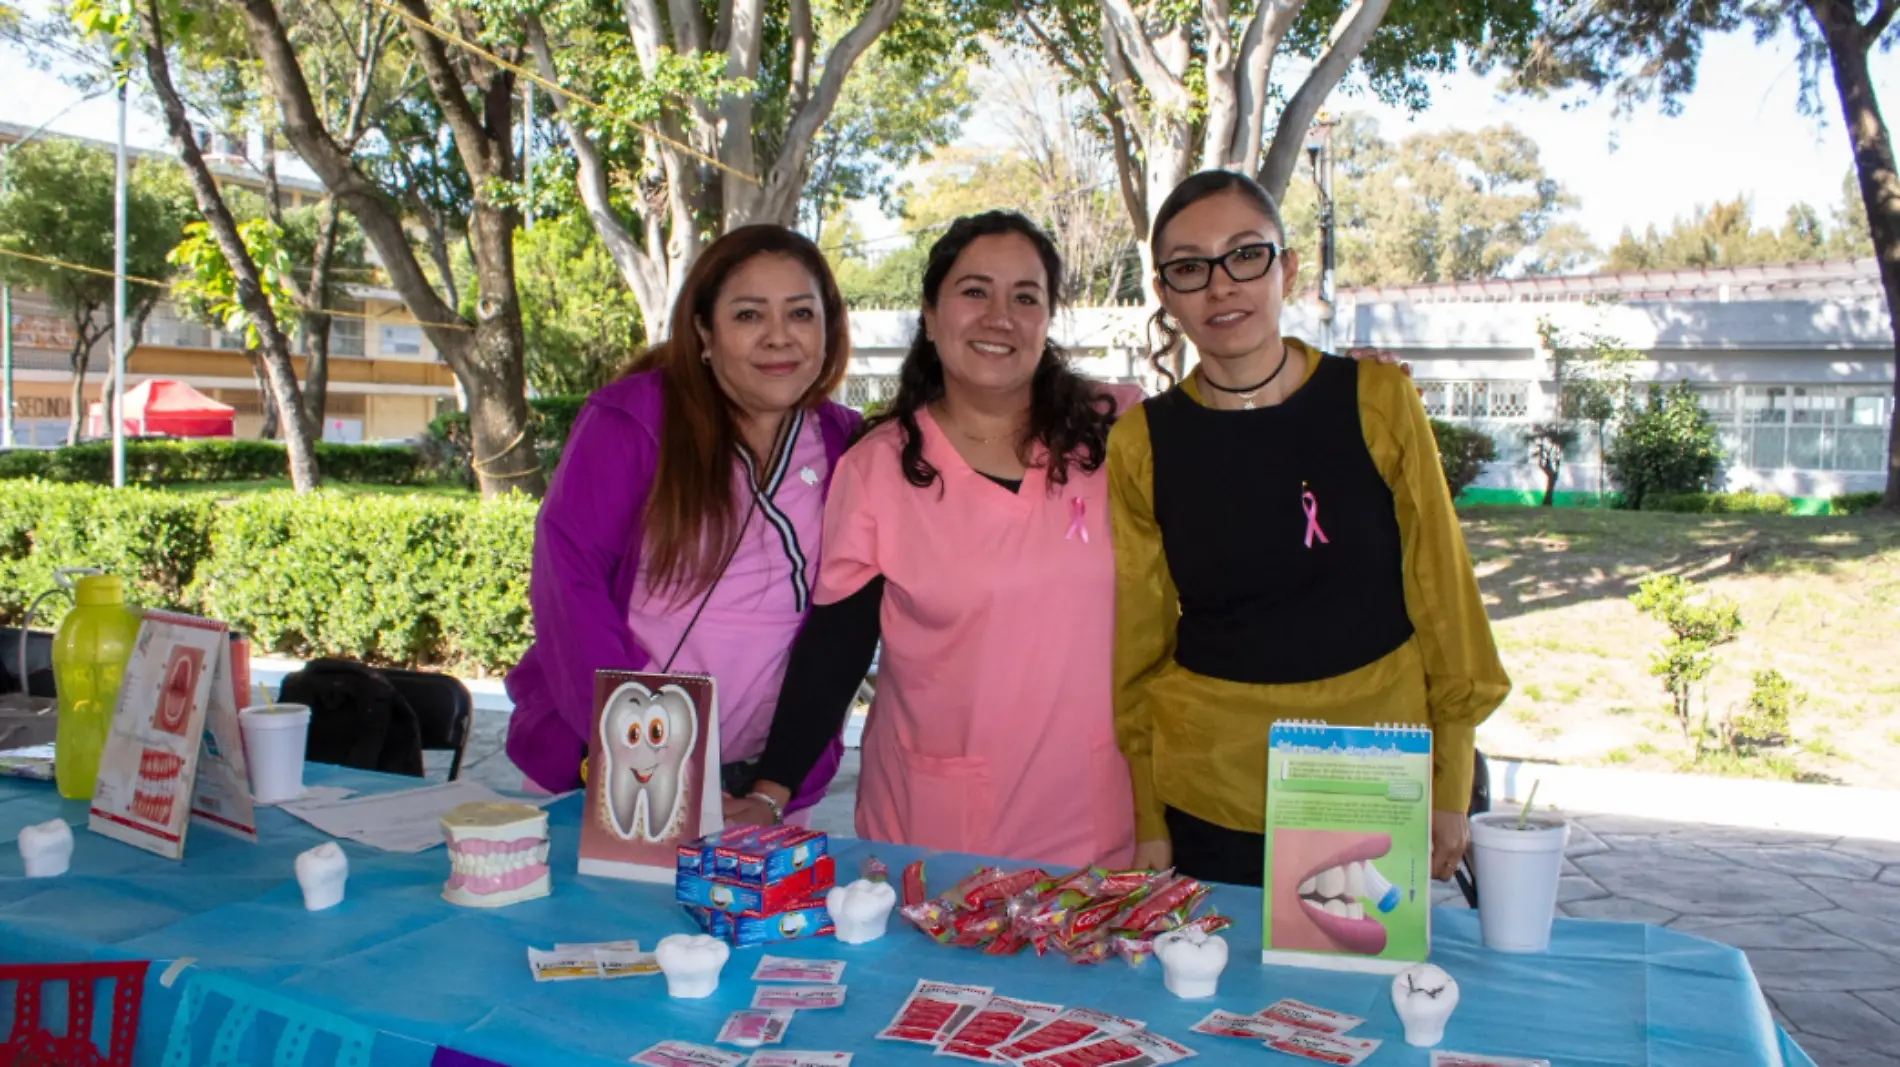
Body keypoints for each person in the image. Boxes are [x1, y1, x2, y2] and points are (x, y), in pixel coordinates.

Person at [1109, 169, 1510, 886]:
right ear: (1166, 294)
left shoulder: (1378, 401)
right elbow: (1140, 644)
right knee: (1210, 995)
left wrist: (1449, 785)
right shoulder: (1141, 442)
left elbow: (1444, 598)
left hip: (1371, 774)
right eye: (1190, 268)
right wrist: (1149, 817)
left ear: (1286, 267)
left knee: (1358, 989)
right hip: (1213, 787)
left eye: (1246, 254)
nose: (1222, 285)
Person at [728, 212, 1143, 868]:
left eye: (1025, 297)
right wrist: (772, 789)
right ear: (929, 312)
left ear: (1047, 318)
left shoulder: (1120, 431)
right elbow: (838, 641)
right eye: (975, 291)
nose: (999, 316)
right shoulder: (878, 468)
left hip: (1095, 818)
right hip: (935, 829)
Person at [504, 225, 859, 826]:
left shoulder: (846, 441)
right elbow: (572, 589)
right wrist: (661, 764)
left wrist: (772, 789)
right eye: (749, 314)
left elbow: (841, 629)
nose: (779, 336)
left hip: (761, 787)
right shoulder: (632, 420)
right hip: (623, 764)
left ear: (829, 329)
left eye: (802, 313)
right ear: (703, 332)